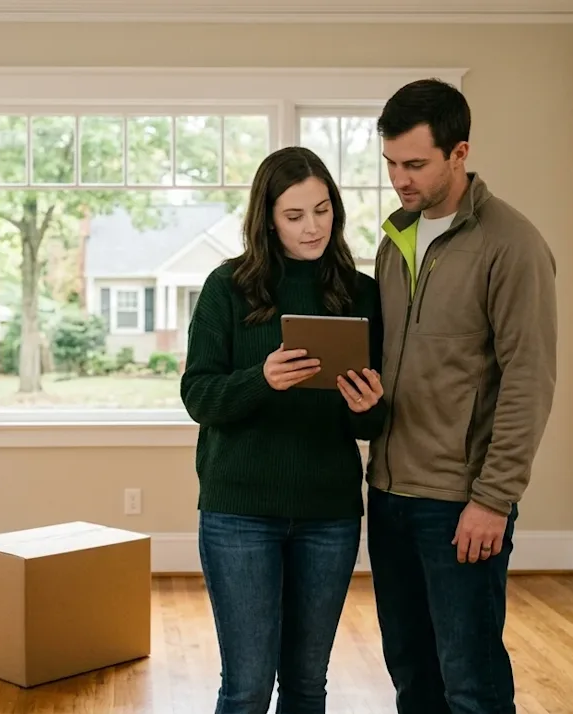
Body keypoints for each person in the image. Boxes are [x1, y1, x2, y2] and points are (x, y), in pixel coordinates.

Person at [365, 78, 557, 714]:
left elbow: (528, 379)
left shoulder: (512, 244)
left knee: (470, 680)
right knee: (412, 676)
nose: (400, 179)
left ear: (459, 152)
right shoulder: (394, 241)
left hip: (459, 506)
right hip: (388, 495)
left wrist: (493, 499)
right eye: (391, 163)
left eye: (415, 164)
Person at [180, 145, 387, 714]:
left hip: (329, 513)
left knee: (306, 684)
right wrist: (261, 379)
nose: (313, 227)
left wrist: (368, 405)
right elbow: (198, 396)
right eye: (295, 216)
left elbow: (370, 423)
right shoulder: (228, 287)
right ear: (267, 218)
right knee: (245, 688)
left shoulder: (362, 292)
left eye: (322, 210)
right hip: (240, 513)